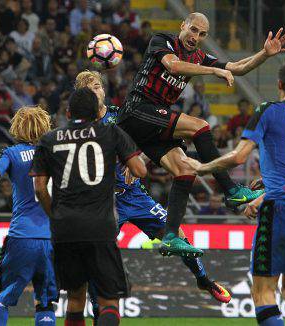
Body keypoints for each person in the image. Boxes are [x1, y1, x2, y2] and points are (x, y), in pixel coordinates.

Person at [118, 12, 285, 256]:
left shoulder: (199, 57)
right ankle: (231, 191)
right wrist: (213, 72)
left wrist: (264, 54)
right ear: (183, 26)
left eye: (202, 34)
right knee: (200, 125)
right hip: (137, 109)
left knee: (185, 168)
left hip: (153, 123)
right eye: (193, 30)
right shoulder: (163, 40)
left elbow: (238, 68)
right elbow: (172, 65)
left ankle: (169, 236)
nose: (195, 36)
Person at [184, 57, 285, 326]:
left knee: (264, 291)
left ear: (279, 83)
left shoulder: (268, 110)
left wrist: (203, 166)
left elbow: (239, 156)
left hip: (282, 209)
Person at [74, 71, 232, 315]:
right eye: (89, 89)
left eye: (98, 86)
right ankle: (98, 311)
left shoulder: (122, 116)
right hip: (103, 203)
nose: (96, 91)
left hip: (135, 196)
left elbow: (149, 141)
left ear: (104, 90)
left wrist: (139, 158)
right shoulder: (79, 129)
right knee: (97, 259)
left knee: (176, 234)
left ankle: (203, 279)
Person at [31, 88, 146, 326]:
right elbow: (139, 170)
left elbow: (40, 188)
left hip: (64, 228)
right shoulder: (110, 132)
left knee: (74, 299)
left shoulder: (49, 139)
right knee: (109, 302)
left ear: (68, 111)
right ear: (97, 113)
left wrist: (54, 214)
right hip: (99, 226)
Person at [0, 106, 57, 326]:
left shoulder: (11, 153)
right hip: (54, 238)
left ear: (17, 127)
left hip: (22, 236)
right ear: (45, 126)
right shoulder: (57, 152)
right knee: (45, 303)